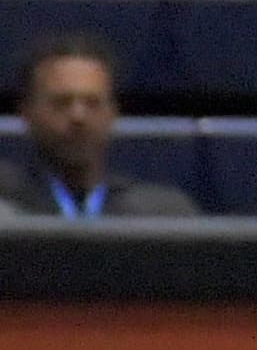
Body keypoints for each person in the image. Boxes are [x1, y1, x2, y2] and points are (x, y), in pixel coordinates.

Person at [2, 33, 199, 218]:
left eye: (92, 103)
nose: (78, 116)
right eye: (61, 103)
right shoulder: (6, 204)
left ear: (113, 112)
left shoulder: (163, 214)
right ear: (26, 112)